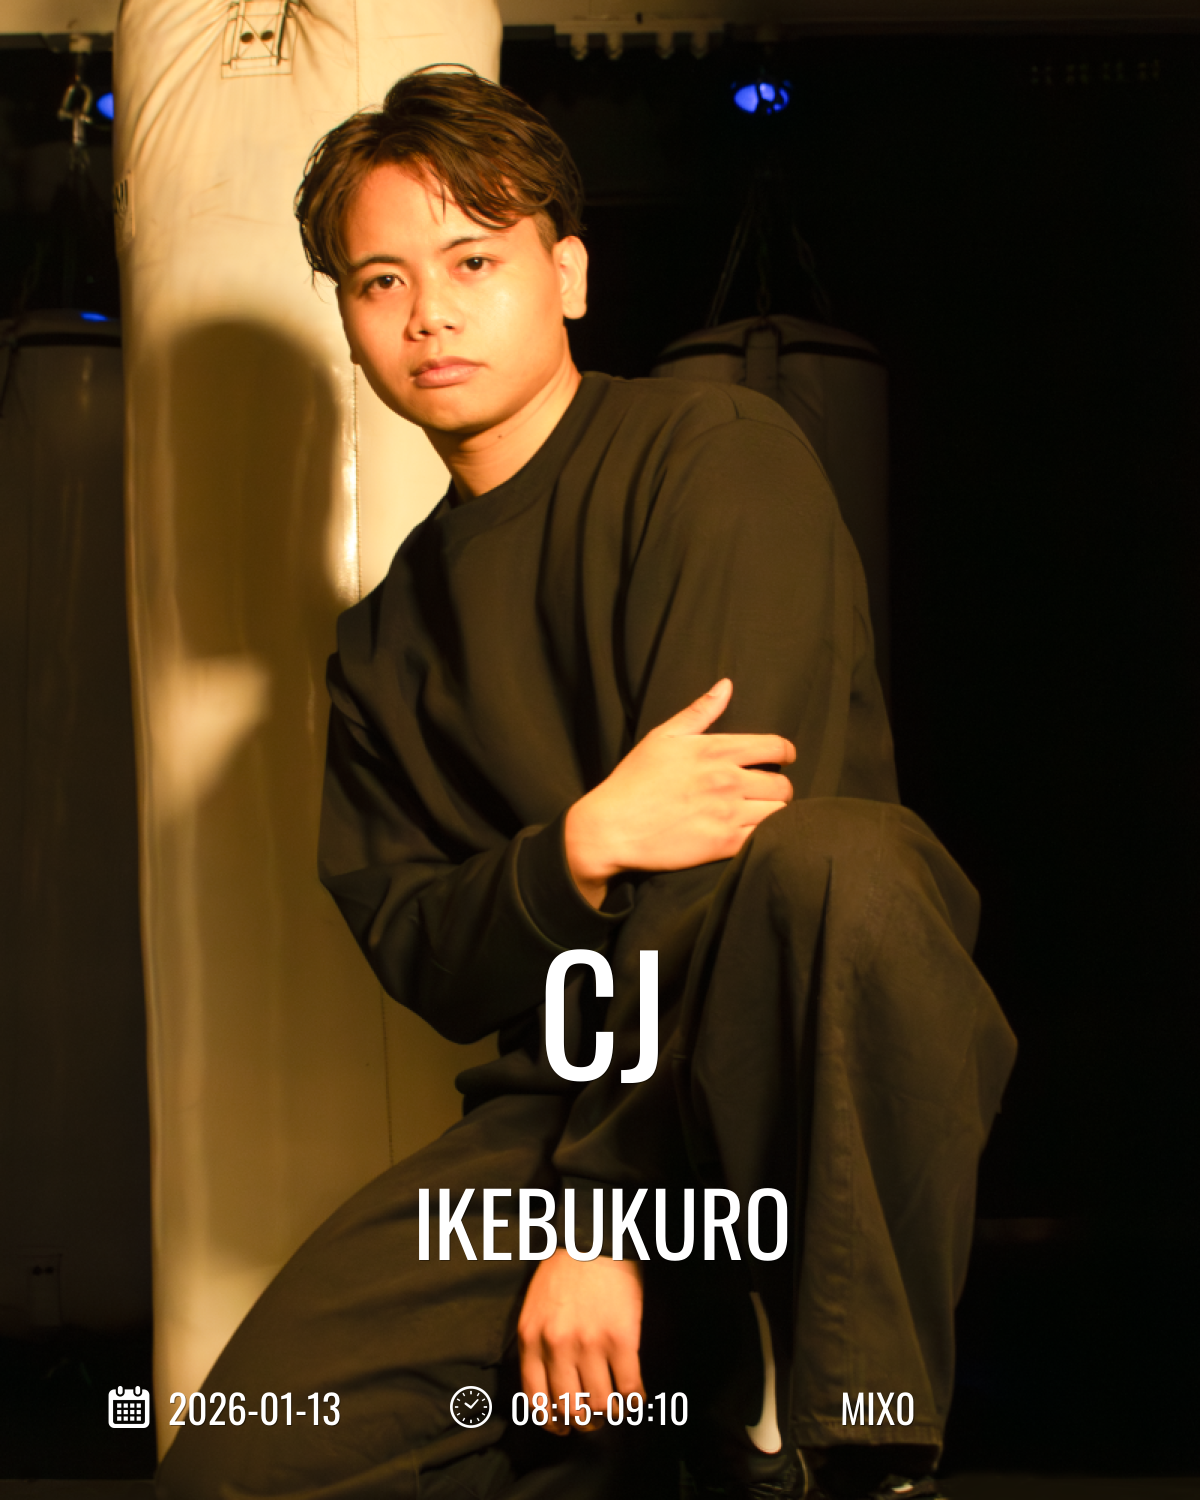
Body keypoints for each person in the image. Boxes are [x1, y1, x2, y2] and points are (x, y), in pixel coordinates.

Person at [155, 66, 1017, 1500]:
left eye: (472, 262)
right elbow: (425, 948)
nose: (428, 314)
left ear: (567, 274)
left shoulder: (714, 458)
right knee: (235, 1468)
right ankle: (688, 1454)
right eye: (381, 281)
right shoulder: (381, 643)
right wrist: (574, 850)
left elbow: (733, 845)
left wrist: (605, 1219)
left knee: (839, 863)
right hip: (556, 1112)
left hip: (778, 1070)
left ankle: (868, 1458)